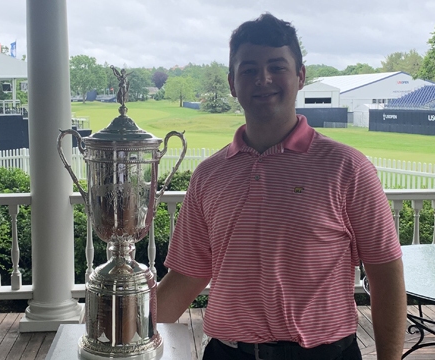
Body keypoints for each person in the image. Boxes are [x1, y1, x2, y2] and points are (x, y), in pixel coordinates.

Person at [157, 13, 406, 360]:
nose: (263, 79)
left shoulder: (347, 168)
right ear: (232, 83)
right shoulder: (209, 175)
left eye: (277, 66)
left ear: (300, 76)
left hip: (324, 354)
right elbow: (187, 275)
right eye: (249, 70)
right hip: (228, 354)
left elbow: (385, 274)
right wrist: (125, 338)